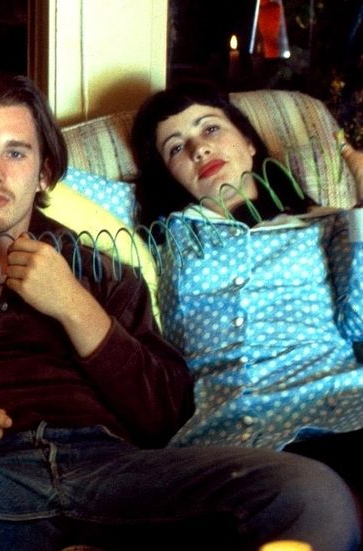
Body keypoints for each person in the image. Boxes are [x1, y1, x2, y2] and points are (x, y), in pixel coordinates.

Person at [0, 71, 361, 551]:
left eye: (16, 153)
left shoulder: (102, 266)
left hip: (114, 475)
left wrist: (74, 306)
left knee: (310, 491)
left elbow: (166, 415)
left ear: (45, 174)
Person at [130, 79, 363, 493]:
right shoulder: (163, 238)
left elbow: (359, 323)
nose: (199, 149)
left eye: (210, 128)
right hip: (225, 442)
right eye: (175, 148)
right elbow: (48, 184)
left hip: (340, 415)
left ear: (250, 142)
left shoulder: (324, 224)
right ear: (169, 176)